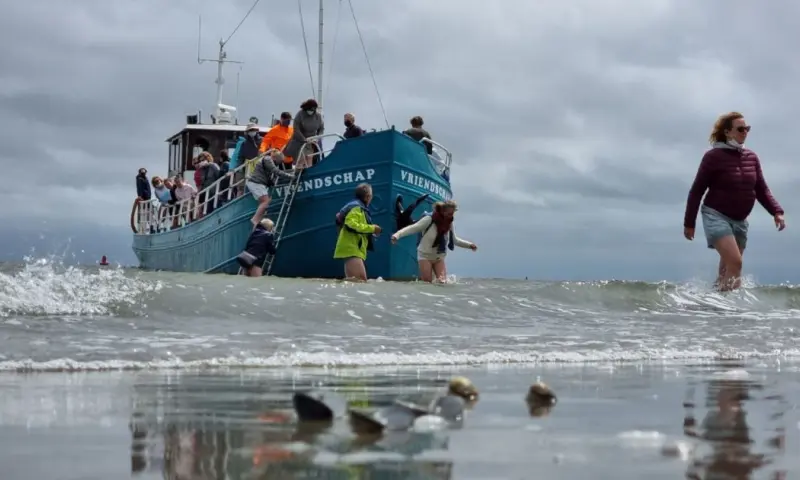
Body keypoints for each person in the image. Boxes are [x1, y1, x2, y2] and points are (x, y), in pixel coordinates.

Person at [684, 111, 786, 292]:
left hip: (740, 221)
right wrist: (689, 223)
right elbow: (696, 191)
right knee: (736, 262)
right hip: (716, 215)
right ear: (727, 132)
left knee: (726, 270)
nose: (745, 132)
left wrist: (777, 212)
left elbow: (761, 189)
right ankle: (730, 310)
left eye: (747, 129)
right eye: (740, 129)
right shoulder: (712, 157)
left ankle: (715, 305)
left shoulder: (752, 157)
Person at [391, 200, 477, 283]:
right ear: (443, 211)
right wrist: (397, 235)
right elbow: (413, 228)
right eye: (450, 213)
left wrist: (469, 245)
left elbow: (455, 240)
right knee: (427, 282)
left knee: (443, 282)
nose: (451, 216)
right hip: (425, 256)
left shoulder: (449, 223)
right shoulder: (429, 219)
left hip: (439, 257)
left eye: (453, 213)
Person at [333, 183, 382, 281]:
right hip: (352, 249)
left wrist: (371, 231)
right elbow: (350, 224)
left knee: (354, 281)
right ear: (368, 196)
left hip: (353, 248)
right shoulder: (357, 208)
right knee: (360, 280)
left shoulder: (358, 208)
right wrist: (372, 228)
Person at [246, 149, 295, 226]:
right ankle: (255, 219)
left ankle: (259, 222)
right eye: (280, 160)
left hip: (257, 183)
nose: (281, 162)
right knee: (265, 201)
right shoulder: (267, 159)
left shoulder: (267, 160)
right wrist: (289, 176)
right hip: (256, 183)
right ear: (276, 158)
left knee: (265, 201)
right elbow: (275, 171)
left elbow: (269, 175)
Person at [283, 99, 325, 170]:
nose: (311, 111)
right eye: (310, 109)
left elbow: (321, 129)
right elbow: (296, 128)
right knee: (301, 159)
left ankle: (309, 175)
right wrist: (304, 139)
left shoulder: (318, 116)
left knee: (309, 158)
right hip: (299, 140)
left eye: (313, 109)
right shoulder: (300, 114)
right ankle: (297, 174)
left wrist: (317, 138)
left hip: (311, 141)